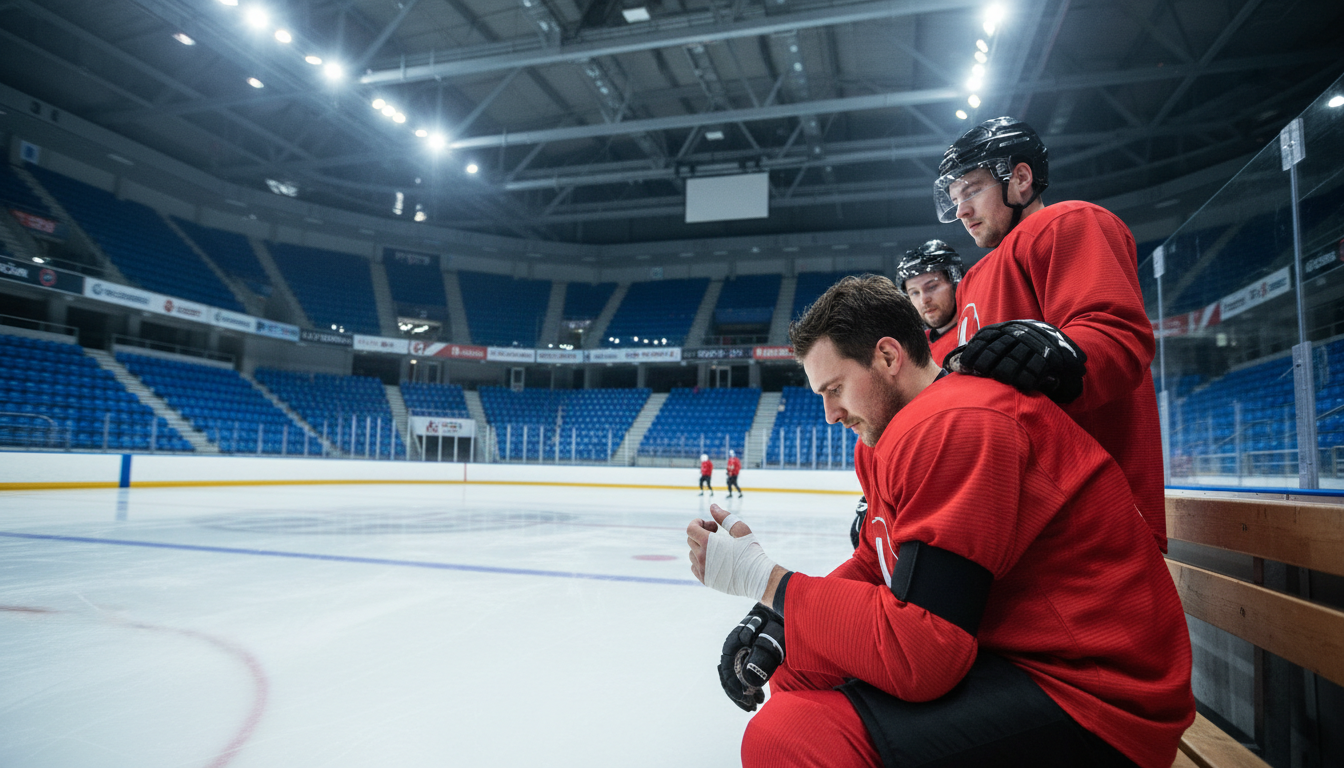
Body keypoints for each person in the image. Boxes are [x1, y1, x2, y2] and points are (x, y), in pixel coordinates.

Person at [685, 275, 1193, 768]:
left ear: (888, 356)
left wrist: (769, 582)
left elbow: (923, 657)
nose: (829, 414)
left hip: (1097, 697)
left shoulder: (957, 421)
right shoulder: (897, 431)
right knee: (797, 663)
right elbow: (878, 561)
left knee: (788, 739)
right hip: (1028, 657)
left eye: (835, 388)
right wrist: (781, 616)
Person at [934, 116, 1167, 552]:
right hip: (1023, 522)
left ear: (1021, 179)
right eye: (954, 198)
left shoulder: (1066, 222)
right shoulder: (974, 279)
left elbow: (1117, 337)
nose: (961, 210)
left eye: (971, 190)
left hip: (1094, 521)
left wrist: (1051, 359)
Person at [894, 240, 964, 366]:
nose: (924, 300)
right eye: (914, 292)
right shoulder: (914, 347)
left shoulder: (972, 336)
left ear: (955, 283)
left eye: (932, 287)